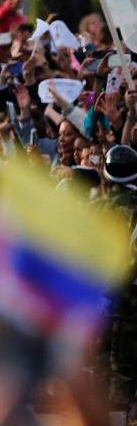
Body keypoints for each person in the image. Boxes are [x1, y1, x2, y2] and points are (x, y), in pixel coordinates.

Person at [100, 145, 137, 413]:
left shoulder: (96, 207)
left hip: (97, 291)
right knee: (126, 367)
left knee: (101, 364)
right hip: (130, 294)